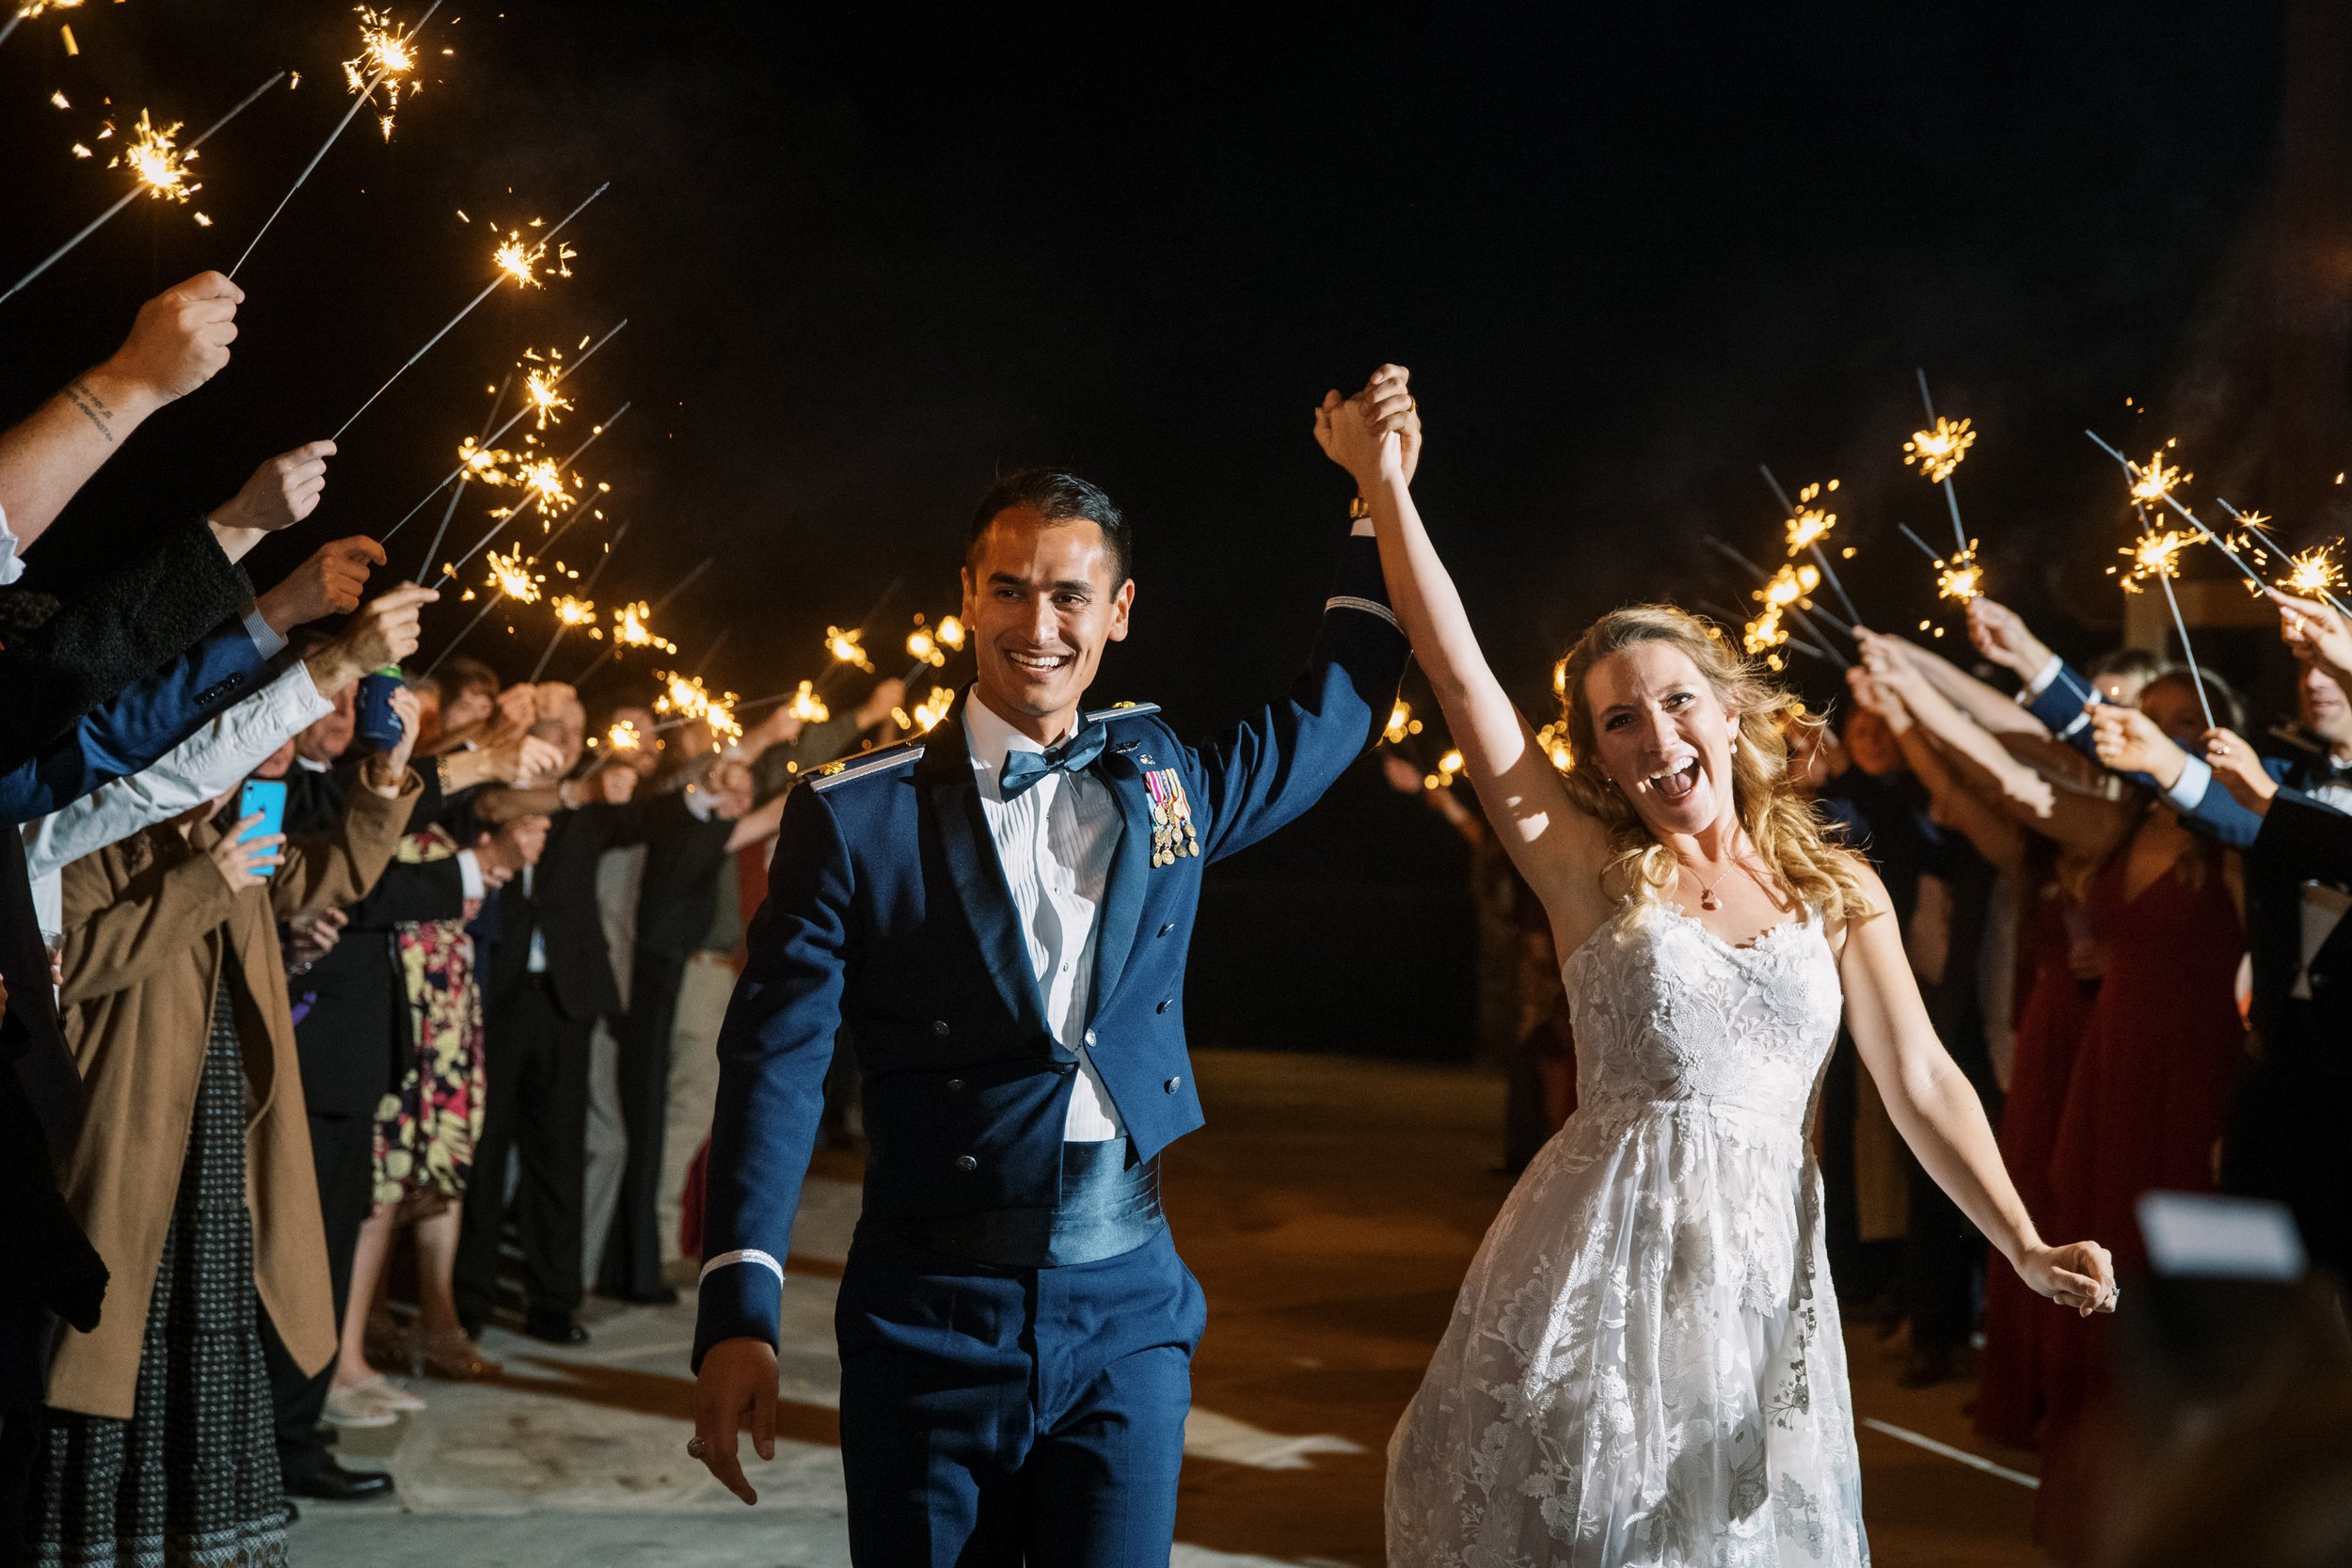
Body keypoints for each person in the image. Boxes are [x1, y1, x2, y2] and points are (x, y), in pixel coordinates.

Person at [1313, 366, 2114, 1566]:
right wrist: (1384, 490)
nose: (1655, 737)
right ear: (1594, 752)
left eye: (1676, 702)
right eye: (1617, 722)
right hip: (1596, 1275)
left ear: (1730, 714)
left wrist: (2021, 1239)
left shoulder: (1839, 889)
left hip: (1757, 1279)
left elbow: (1922, 1078)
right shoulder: (1586, 870)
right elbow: (1458, 667)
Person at [689, 427, 1411, 1562]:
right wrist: (738, 1308)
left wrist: (1377, 505)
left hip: (1129, 1307)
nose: (1039, 626)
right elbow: (774, 1064)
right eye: (1011, 590)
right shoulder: (853, 813)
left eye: (1070, 596)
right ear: (967, 599)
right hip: (928, 1314)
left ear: (1118, 609)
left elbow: (1329, 715)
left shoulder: (1158, 775)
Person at [33, 690, 423, 1565]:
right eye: (262, 726)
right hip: (131, 1128)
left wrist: (389, 774)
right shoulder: (106, 823)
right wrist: (202, 877)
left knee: (211, 1335)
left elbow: (325, 878)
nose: (279, 742)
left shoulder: (248, 815)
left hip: (216, 1138)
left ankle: (199, 1541)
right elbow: (72, 967)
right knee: (110, 1336)